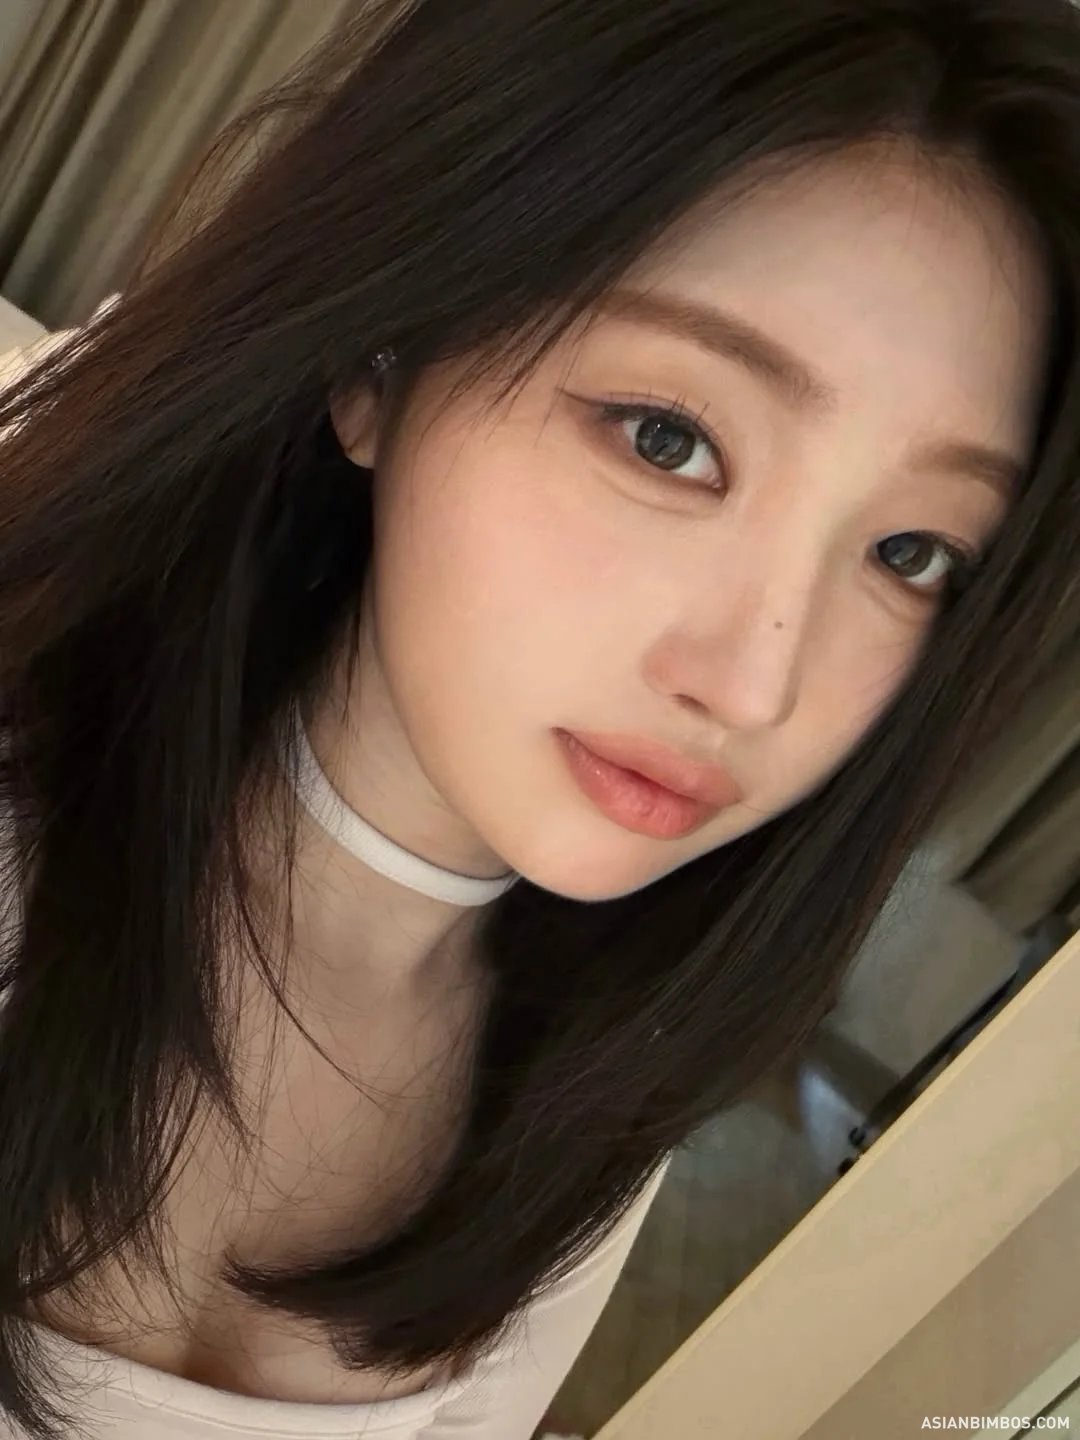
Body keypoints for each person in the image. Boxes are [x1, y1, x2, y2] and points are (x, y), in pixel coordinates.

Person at [0, 0, 1078, 1436]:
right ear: (381, 357)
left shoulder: (596, 1101)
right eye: (668, 439)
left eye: (911, 554)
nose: (752, 685)